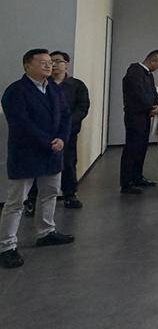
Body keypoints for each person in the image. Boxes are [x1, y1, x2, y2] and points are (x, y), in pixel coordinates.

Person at [0, 49, 74, 269]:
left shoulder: (53, 88)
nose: (49, 66)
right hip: (27, 153)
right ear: (27, 66)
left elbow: (66, 115)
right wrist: (48, 142)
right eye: (43, 63)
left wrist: (62, 138)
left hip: (53, 152)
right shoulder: (15, 91)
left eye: (51, 62)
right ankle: (7, 246)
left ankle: (46, 231)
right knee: (16, 202)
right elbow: (21, 124)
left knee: (49, 194)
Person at [120, 50, 158, 194]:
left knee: (142, 147)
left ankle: (137, 177)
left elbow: (153, 93)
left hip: (145, 115)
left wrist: (157, 106)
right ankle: (127, 182)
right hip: (135, 116)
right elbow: (137, 94)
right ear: (152, 61)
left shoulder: (148, 75)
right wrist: (150, 107)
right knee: (132, 148)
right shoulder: (134, 72)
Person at [49, 51, 90, 209]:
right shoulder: (44, 84)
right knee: (40, 164)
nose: (54, 65)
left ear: (66, 64)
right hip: (46, 133)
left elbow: (82, 108)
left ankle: (70, 194)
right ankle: (33, 198)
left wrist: (66, 124)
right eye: (51, 62)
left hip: (69, 133)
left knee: (68, 162)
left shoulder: (77, 85)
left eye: (58, 61)